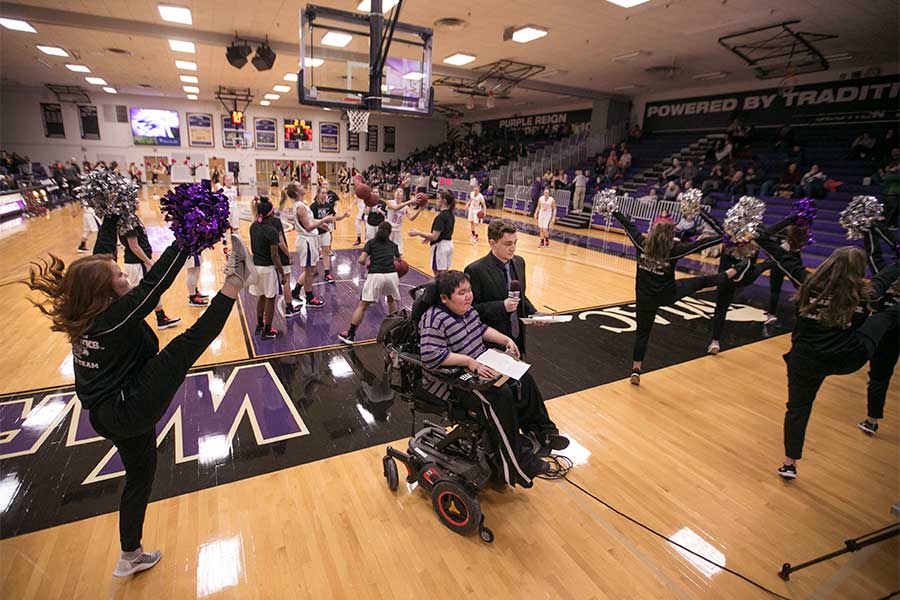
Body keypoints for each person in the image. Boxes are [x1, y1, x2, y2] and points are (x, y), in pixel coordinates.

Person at [23, 230, 252, 577]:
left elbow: (97, 264)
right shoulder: (111, 320)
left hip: (108, 412)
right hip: (128, 406)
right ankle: (236, 281)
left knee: (140, 476)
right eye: (118, 275)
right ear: (104, 290)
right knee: (185, 346)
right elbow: (153, 286)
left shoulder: (88, 311)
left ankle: (129, 555)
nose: (124, 276)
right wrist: (185, 239)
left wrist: (110, 214)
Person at [418, 271, 550, 487]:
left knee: (522, 377)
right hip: (452, 380)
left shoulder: (467, 310)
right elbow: (431, 355)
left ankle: (540, 432)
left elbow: (480, 329)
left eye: (469, 290)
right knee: (500, 396)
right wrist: (470, 362)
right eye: (461, 293)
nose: (468, 296)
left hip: (479, 366)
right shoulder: (434, 319)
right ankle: (518, 464)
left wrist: (505, 338)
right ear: (444, 298)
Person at [777, 247, 898, 479]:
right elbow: (883, 279)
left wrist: (760, 235)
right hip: (847, 357)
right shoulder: (866, 294)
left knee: (797, 409)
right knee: (887, 315)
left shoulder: (807, 285)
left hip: (805, 360)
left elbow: (783, 259)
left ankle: (789, 463)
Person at [464, 219, 568, 451]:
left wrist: (534, 314)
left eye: (515, 243)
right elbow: (471, 311)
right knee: (512, 390)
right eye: (508, 243)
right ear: (492, 243)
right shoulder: (475, 270)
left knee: (521, 386)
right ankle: (533, 433)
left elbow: (521, 298)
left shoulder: (518, 263)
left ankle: (538, 433)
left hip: (516, 337)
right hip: (489, 343)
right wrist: (500, 306)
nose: (513, 248)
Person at [613, 210, 746, 385]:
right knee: (702, 281)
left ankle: (636, 369)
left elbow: (628, 225)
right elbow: (701, 245)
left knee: (642, 334)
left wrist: (615, 211)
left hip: (644, 299)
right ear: (669, 237)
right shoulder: (674, 251)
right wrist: (725, 237)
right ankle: (732, 272)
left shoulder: (641, 244)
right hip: (668, 295)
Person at [338, 222, 400, 345]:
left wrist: (368, 263)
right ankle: (395, 334)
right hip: (391, 275)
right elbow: (398, 260)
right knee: (391, 301)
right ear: (389, 232)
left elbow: (361, 260)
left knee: (363, 306)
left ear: (378, 230)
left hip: (376, 275)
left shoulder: (371, 243)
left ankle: (350, 335)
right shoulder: (393, 245)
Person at [119, 215, 180, 330]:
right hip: (137, 263)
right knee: (141, 294)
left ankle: (161, 318)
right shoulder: (127, 221)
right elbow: (134, 246)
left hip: (139, 262)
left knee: (151, 290)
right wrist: (148, 261)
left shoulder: (131, 218)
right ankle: (133, 324)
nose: (136, 201)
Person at [285, 181, 337, 308]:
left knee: (311, 269)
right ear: (297, 192)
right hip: (306, 241)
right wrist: (324, 220)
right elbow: (308, 227)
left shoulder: (301, 204)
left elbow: (309, 221)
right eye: (300, 186)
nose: (304, 186)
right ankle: (309, 298)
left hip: (309, 240)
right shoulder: (301, 207)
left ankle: (296, 291)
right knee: (309, 271)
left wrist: (320, 222)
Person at [249, 200, 286, 339]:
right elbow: (275, 256)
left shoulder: (253, 226)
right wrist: (283, 273)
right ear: (270, 214)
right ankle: (268, 329)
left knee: (262, 296)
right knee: (270, 299)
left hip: (256, 266)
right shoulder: (271, 231)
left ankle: (259, 324)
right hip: (268, 269)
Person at [410, 190, 455, 277]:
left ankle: (441, 290)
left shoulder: (441, 217)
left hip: (440, 247)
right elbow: (442, 232)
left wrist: (418, 232)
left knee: (439, 276)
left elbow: (434, 236)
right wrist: (427, 238)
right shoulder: (450, 214)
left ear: (444, 201)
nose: (436, 200)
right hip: (449, 244)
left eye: (438, 198)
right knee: (445, 274)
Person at [311, 185, 348, 284]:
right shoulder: (313, 206)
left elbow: (334, 218)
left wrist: (343, 217)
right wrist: (322, 223)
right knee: (314, 255)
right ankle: (313, 269)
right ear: (318, 194)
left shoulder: (328, 206)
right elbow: (310, 221)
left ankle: (327, 273)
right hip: (315, 233)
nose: (324, 195)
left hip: (325, 233)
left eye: (325, 193)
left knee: (326, 252)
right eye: (322, 193)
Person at [385, 186, 421, 254]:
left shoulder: (406, 207)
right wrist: (410, 201)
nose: (398, 192)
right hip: (388, 230)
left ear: (403, 195)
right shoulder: (390, 202)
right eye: (396, 191)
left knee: (399, 253)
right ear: (394, 194)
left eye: (400, 191)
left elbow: (411, 218)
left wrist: (420, 209)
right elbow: (395, 208)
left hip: (398, 231)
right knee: (386, 252)